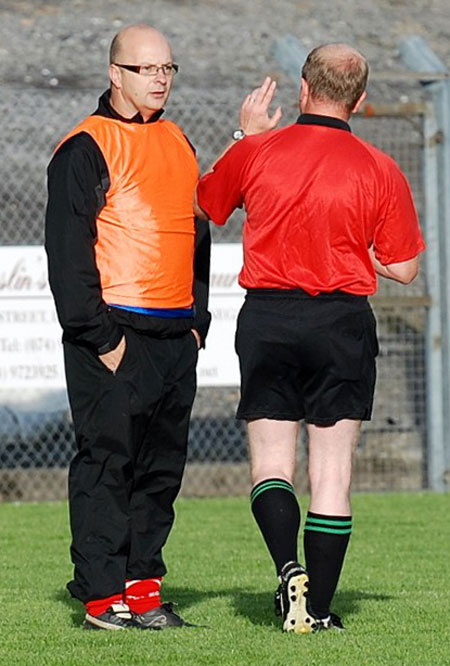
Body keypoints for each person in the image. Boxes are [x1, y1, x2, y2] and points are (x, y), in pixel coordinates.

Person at [195, 43, 425, 634]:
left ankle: (287, 567)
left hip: (269, 317)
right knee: (331, 476)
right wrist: (353, 245)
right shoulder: (379, 167)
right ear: (360, 100)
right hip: (341, 323)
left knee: (271, 465)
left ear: (303, 89)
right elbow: (404, 270)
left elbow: (209, 204)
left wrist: (245, 137)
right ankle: (318, 610)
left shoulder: (261, 151)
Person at [45, 23, 211, 631]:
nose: (161, 79)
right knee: (107, 463)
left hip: (174, 337)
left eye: (168, 68)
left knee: (161, 470)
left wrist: (198, 320)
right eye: (148, 69)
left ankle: (143, 588)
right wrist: (100, 337)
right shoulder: (85, 146)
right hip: (114, 334)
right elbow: (68, 253)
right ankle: (99, 595)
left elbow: (196, 232)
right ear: (116, 73)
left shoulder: (179, 140)